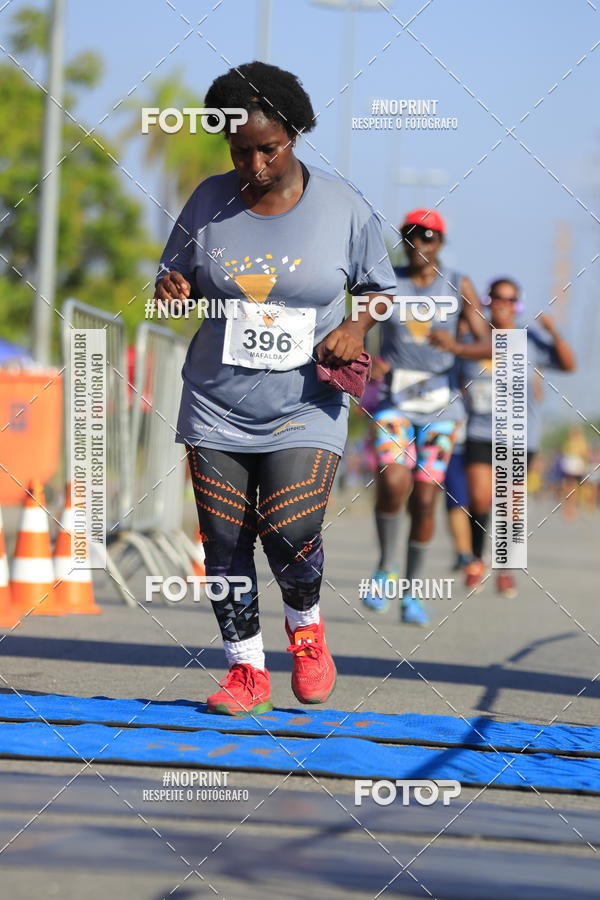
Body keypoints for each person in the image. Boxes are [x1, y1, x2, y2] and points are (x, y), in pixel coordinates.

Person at [154, 62, 396, 716]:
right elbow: (173, 287)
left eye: (269, 148)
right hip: (216, 402)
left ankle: (307, 629)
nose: (255, 164)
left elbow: (380, 292)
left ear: (294, 133)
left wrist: (354, 325)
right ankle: (245, 672)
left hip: (304, 406)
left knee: (290, 528)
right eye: (240, 152)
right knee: (224, 540)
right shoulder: (208, 199)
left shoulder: (344, 207)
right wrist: (171, 291)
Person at [362, 209, 491, 624]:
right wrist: (369, 362)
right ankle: (385, 567)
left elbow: (489, 344)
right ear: (403, 240)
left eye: (429, 237)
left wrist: (455, 346)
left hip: (441, 408)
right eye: (412, 236)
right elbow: (357, 327)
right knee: (395, 481)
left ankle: (412, 592)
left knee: (425, 497)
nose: (421, 245)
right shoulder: (387, 281)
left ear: (441, 243)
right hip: (395, 401)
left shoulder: (458, 284)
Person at [459, 278, 576, 596]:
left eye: (510, 300)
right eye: (497, 297)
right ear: (487, 300)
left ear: (518, 305)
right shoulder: (471, 337)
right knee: (481, 496)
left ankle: (506, 567)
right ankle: (474, 560)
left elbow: (567, 364)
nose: (502, 304)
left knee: (510, 504)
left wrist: (553, 333)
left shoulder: (531, 340)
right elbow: (454, 377)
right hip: (480, 431)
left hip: (519, 436)